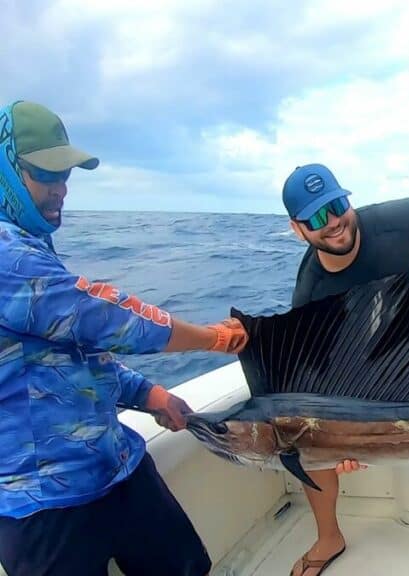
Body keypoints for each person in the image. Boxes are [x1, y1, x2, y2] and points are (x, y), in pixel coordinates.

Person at [0, 100, 250, 576]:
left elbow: (72, 352)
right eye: (44, 176)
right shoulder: (7, 255)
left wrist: (148, 392)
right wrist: (214, 338)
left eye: (64, 175)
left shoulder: (35, 246)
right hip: (43, 505)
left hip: (115, 465)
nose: (61, 189)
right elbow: (106, 318)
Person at [282, 163, 409, 576]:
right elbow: (312, 371)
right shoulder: (310, 290)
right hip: (372, 371)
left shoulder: (399, 219)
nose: (335, 223)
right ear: (297, 229)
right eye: (317, 218)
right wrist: (341, 439)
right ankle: (329, 538)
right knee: (312, 448)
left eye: (337, 205)